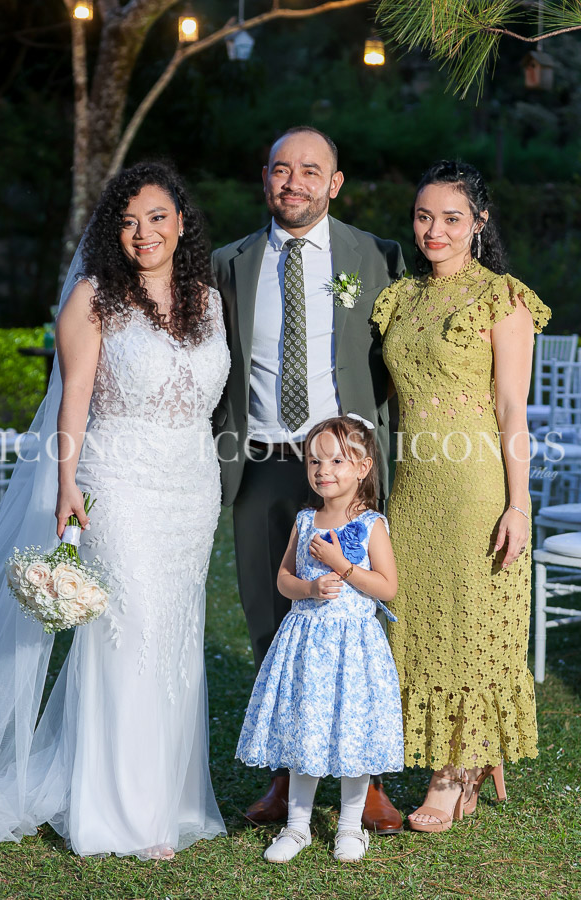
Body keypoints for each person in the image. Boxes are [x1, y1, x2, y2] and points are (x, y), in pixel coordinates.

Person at [0, 161, 228, 858]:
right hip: (117, 483)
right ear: (111, 233)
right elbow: (74, 399)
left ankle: (172, 799)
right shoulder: (93, 299)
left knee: (175, 635)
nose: (143, 233)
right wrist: (66, 484)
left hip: (192, 489)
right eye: (127, 222)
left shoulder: (209, 301)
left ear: (181, 221)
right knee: (131, 633)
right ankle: (122, 813)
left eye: (156, 217)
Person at [212, 126, 405, 832]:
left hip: (347, 469)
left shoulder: (376, 256)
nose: (293, 182)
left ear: (335, 182)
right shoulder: (228, 263)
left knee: (361, 616)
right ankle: (284, 775)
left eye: (310, 170)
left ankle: (367, 778)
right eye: (280, 169)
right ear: (265, 177)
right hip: (263, 460)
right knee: (273, 614)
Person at [371, 160, 551, 832]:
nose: (435, 230)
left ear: (479, 222)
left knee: (471, 623)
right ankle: (454, 753)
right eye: (424, 216)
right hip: (413, 488)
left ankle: (455, 774)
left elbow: (511, 408)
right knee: (416, 621)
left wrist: (518, 505)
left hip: (476, 487)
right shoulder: (399, 297)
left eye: (451, 218)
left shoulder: (503, 299)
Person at [236, 416, 403, 862]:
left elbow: (387, 587)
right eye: (314, 461)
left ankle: (350, 827)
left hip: (354, 646)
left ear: (363, 467)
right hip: (307, 646)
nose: (322, 470)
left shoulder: (372, 524)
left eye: (336, 461)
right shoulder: (305, 519)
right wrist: (309, 588)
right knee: (303, 729)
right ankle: (297, 827)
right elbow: (283, 579)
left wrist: (342, 566)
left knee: (354, 732)